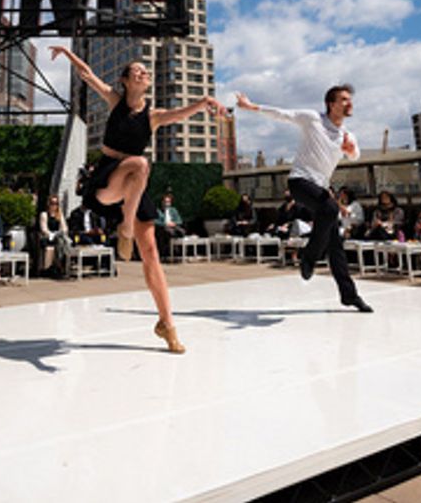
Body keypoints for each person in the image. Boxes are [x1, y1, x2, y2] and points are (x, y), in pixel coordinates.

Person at [51, 46, 221, 354]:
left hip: (135, 188)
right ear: (126, 81)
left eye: (146, 72)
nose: (144, 74)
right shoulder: (115, 101)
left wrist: (203, 102)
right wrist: (66, 52)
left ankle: (167, 324)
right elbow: (88, 75)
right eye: (138, 71)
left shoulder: (153, 116)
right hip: (108, 179)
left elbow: (179, 114)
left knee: (152, 252)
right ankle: (125, 228)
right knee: (140, 164)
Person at [236, 84, 372, 312]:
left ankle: (349, 295)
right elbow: (282, 114)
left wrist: (350, 151)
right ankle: (309, 257)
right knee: (330, 210)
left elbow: (356, 154)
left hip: (321, 189)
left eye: (350, 100)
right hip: (300, 182)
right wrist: (252, 107)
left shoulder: (347, 135)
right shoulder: (313, 119)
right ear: (332, 104)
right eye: (344, 99)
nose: (350, 103)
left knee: (336, 245)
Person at [39, 196, 70, 277]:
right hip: (47, 237)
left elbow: (64, 227)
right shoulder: (44, 214)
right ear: (48, 204)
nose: (54, 206)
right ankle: (53, 268)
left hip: (57, 236)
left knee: (62, 242)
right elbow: (44, 229)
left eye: (56, 204)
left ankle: (61, 266)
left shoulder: (59, 214)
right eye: (52, 203)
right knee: (58, 243)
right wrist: (51, 234)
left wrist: (61, 232)